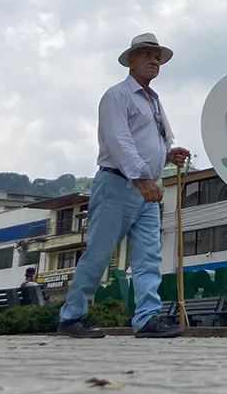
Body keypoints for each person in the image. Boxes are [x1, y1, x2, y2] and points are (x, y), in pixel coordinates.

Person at [58, 33, 190, 339]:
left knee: (148, 255)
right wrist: (143, 179)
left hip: (146, 190)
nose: (154, 60)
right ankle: (72, 316)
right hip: (119, 184)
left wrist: (168, 155)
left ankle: (147, 318)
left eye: (157, 56)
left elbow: (148, 141)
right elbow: (119, 142)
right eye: (146, 55)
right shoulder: (117, 96)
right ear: (130, 61)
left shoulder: (153, 101)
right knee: (100, 253)